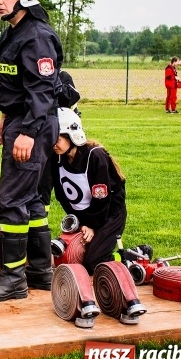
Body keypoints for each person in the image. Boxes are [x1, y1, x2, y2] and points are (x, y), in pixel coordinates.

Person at [0, 0, 62, 303]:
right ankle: (41, 272)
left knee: (10, 200)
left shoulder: (37, 36)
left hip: (33, 125)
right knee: (31, 200)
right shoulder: (14, 31)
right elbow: (16, 82)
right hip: (19, 119)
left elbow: (42, 91)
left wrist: (26, 131)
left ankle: (13, 279)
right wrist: (4, 116)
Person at [51, 108, 128, 275]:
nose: (53, 144)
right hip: (84, 216)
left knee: (93, 263)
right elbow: (61, 195)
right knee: (73, 256)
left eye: (57, 139)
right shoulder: (56, 157)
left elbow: (102, 199)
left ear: (72, 135)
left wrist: (92, 226)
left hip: (109, 214)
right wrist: (79, 222)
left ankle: (126, 258)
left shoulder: (95, 156)